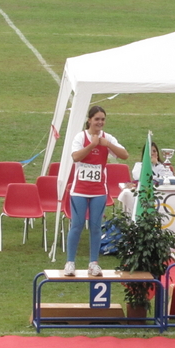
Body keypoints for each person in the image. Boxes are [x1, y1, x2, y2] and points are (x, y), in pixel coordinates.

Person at [63, 106, 128, 277]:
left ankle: (93, 263)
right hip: (79, 190)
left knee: (95, 227)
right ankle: (70, 262)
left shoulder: (107, 138)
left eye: (102, 119)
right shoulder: (80, 137)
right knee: (76, 225)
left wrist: (108, 144)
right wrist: (92, 145)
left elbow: (124, 155)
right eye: (97, 119)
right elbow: (76, 157)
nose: (100, 122)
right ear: (89, 120)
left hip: (99, 190)